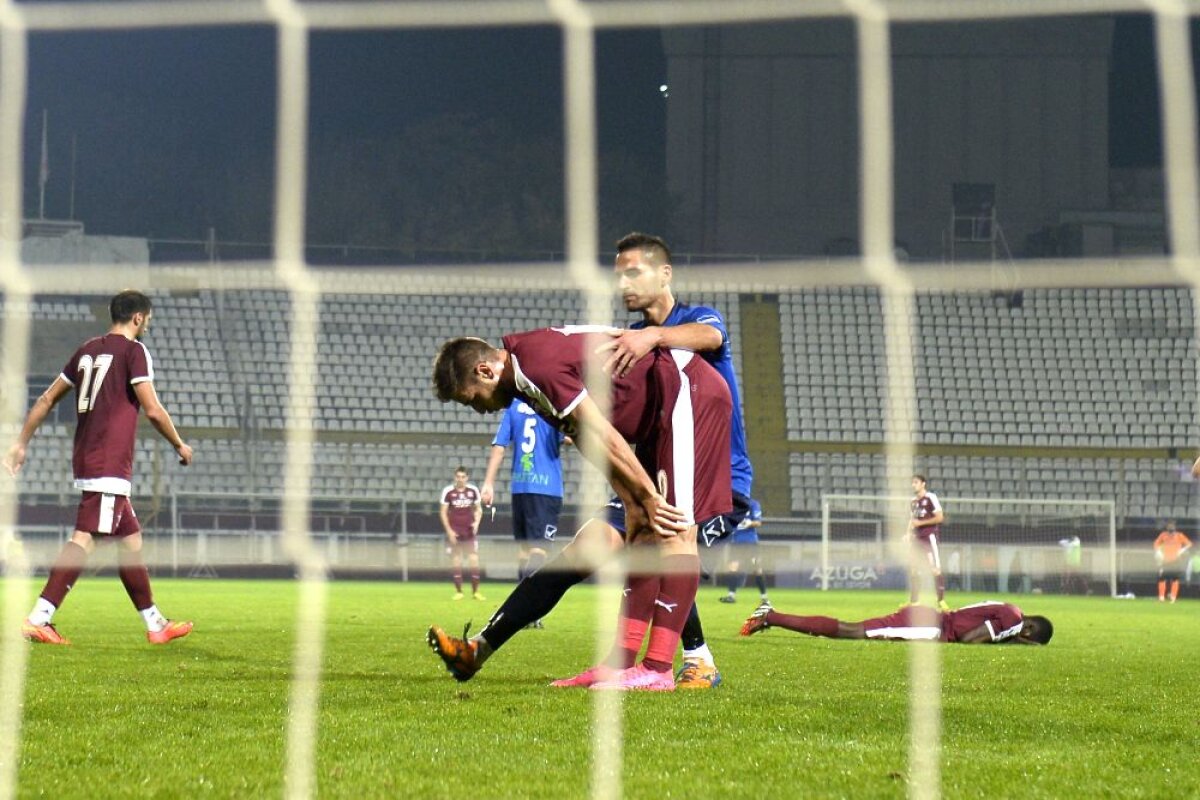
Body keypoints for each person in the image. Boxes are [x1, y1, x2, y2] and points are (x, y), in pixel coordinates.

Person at [427, 325, 732, 691]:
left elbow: (603, 433)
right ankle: (620, 665)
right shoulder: (527, 379)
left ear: (485, 371)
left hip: (687, 393)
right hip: (657, 418)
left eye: (472, 398)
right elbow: (589, 438)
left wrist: (648, 497)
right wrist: (632, 499)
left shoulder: (537, 367)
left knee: (675, 527)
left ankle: (662, 666)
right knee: (638, 533)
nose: (478, 409)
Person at [593, 231, 756, 689]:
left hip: (720, 477)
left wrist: (654, 338)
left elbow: (711, 335)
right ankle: (640, 661)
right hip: (662, 473)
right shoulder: (635, 343)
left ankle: (696, 660)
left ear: (664, 274)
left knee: (669, 551)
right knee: (639, 549)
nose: (623, 283)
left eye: (633, 272)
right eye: (618, 275)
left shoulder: (693, 320)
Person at [3, 290, 194, 645]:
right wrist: (179, 444)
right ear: (138, 317)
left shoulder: (87, 350)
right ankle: (40, 617)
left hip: (90, 455)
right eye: (147, 320)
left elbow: (46, 399)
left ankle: (155, 624)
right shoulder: (134, 352)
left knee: (131, 542)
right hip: (108, 461)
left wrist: (21, 442)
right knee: (85, 537)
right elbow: (152, 409)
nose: (147, 325)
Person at [481, 398, 567, 622]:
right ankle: (530, 612)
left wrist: (489, 482)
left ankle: (518, 611)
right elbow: (569, 436)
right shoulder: (550, 404)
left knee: (523, 550)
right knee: (539, 550)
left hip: (520, 487)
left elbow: (499, 447)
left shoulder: (513, 406)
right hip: (547, 488)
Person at [740, 599, 1053, 645]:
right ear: (1029, 631)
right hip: (930, 627)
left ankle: (771, 616)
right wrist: (1010, 643)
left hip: (931, 620)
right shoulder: (1013, 620)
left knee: (853, 631)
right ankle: (771, 615)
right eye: (1028, 641)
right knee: (852, 632)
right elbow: (971, 640)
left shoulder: (1011, 608)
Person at [440, 466, 484, 601]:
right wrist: (449, 531)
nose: (460, 479)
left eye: (463, 477)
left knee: (474, 561)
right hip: (455, 531)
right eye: (458, 477)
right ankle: (459, 592)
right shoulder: (448, 492)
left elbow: (479, 509)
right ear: (455, 477)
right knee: (456, 561)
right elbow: (443, 512)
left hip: (469, 531)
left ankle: (476, 592)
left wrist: (476, 523)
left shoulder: (473, 491)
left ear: (467, 478)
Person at [906, 474, 948, 611]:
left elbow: (940, 517)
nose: (913, 485)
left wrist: (921, 523)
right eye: (912, 482)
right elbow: (912, 520)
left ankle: (941, 601)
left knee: (935, 569)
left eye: (916, 482)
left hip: (929, 538)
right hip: (916, 540)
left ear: (923, 484)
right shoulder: (913, 501)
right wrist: (907, 534)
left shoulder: (931, 498)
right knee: (914, 570)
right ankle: (914, 602)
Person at [719, 497, 770, 607]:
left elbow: (758, 522)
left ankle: (764, 598)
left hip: (750, 542)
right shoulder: (731, 504)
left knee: (757, 568)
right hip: (736, 542)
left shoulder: (753, 504)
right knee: (732, 567)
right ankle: (731, 596)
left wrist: (750, 523)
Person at [1153, 520, 1192, 603]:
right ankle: (1161, 597)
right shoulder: (1163, 535)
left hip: (1175, 560)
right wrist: (1159, 552)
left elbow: (1189, 544)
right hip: (1165, 560)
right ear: (1167, 527)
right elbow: (1156, 544)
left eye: (1172, 526)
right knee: (1162, 579)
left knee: (1175, 579)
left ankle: (1173, 597)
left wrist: (1181, 550)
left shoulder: (1179, 535)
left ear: (1175, 527)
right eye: (1169, 526)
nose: (1170, 528)